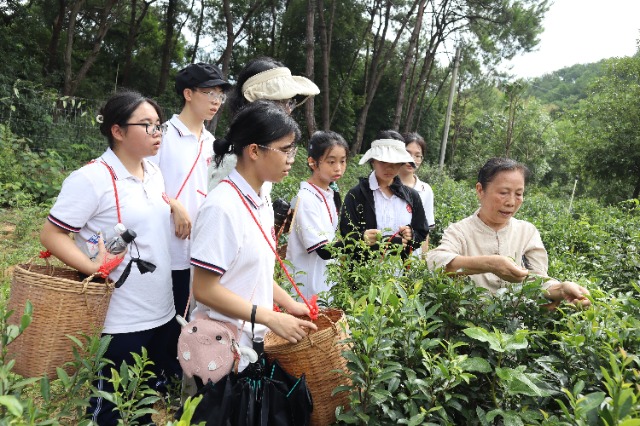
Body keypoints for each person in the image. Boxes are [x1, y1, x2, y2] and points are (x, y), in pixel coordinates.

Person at [40, 90, 177, 425]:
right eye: (146, 125)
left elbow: (151, 211)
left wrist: (178, 205)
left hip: (161, 308)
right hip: (121, 316)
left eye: (158, 125)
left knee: (144, 401)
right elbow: (51, 234)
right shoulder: (92, 178)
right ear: (117, 131)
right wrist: (91, 266)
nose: (156, 132)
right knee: (110, 409)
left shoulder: (153, 172)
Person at [190, 100, 317, 373]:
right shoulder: (222, 207)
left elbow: (253, 271)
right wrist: (271, 317)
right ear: (254, 151)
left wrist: (289, 304)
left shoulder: (261, 200)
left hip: (248, 340)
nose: (291, 159)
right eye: (285, 150)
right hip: (219, 345)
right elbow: (204, 288)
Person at [426, 157, 590, 308]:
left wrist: (562, 289)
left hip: (514, 332)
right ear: (480, 190)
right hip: (467, 329)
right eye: (503, 193)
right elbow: (435, 262)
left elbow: (538, 280)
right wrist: (491, 264)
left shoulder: (527, 232)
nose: (511, 202)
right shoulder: (460, 231)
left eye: (519, 194)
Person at [149, 62, 231, 341]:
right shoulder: (163, 135)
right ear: (187, 93)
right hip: (163, 246)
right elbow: (140, 183)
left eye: (220, 95)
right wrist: (173, 203)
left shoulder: (212, 143)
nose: (216, 101)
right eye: (210, 93)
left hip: (197, 249)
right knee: (160, 320)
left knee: (187, 323)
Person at [208, 56, 320, 190]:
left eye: (290, 103)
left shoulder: (262, 161)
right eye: (282, 102)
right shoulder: (235, 166)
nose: (288, 111)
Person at [339, 138, 429, 260]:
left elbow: (421, 232)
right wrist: (362, 238)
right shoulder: (356, 195)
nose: (389, 168)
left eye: (395, 162)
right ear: (373, 161)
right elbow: (346, 237)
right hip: (364, 273)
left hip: (399, 273)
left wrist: (411, 235)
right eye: (383, 162)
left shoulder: (411, 196)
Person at [285, 130, 349, 300]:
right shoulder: (306, 199)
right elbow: (324, 250)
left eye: (342, 161)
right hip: (306, 288)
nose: (338, 168)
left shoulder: (328, 194)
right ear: (313, 163)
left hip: (323, 285)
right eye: (331, 161)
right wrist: (357, 243)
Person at [399, 132, 435, 255]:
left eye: (417, 156)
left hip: (413, 256)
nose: (412, 159)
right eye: (407, 153)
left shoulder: (426, 190)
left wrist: (422, 261)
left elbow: (426, 230)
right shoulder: (386, 185)